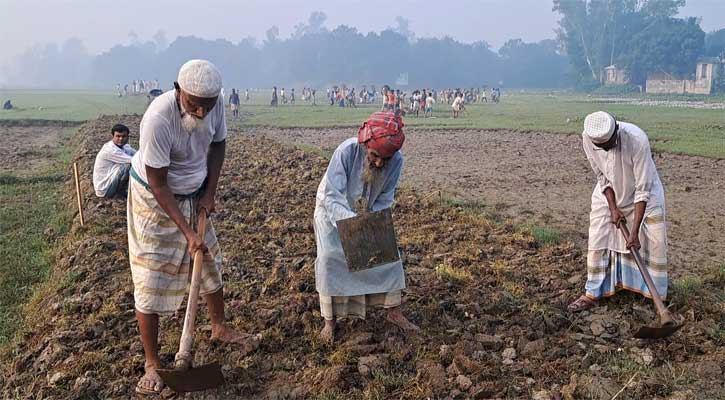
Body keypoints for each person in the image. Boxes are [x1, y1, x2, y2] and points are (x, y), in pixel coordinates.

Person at [127, 59, 259, 395]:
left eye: (207, 107)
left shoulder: (215, 107)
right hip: (154, 199)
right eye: (193, 105)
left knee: (209, 264)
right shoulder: (158, 119)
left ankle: (218, 327)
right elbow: (158, 183)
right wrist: (187, 233)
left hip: (195, 192)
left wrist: (209, 193)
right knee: (150, 276)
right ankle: (153, 362)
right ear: (178, 92)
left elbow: (218, 145)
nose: (200, 114)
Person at [313, 110, 419, 344]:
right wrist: (352, 225)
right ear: (364, 145)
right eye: (374, 156)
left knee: (388, 256)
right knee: (330, 258)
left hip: (367, 211)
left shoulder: (396, 161)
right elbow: (332, 195)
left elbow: (384, 198)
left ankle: (394, 312)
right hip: (332, 212)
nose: (379, 162)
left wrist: (372, 225)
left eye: (385, 159)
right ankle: (330, 323)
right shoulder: (346, 151)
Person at [568, 111, 668, 312]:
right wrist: (613, 208)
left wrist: (633, 232)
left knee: (654, 242)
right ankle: (592, 293)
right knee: (598, 238)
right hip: (608, 195)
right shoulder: (588, 138)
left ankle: (656, 299)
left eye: (611, 143)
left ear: (616, 131)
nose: (608, 149)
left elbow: (642, 189)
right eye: (603, 147)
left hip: (644, 193)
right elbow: (601, 177)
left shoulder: (637, 139)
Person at [92, 124, 136, 198]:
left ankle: (126, 190)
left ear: (128, 137)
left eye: (124, 136)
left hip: (111, 182)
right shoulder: (110, 150)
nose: (121, 139)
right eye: (118, 136)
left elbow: (139, 155)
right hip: (105, 189)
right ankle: (123, 192)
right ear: (113, 137)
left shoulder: (125, 147)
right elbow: (136, 160)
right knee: (129, 166)